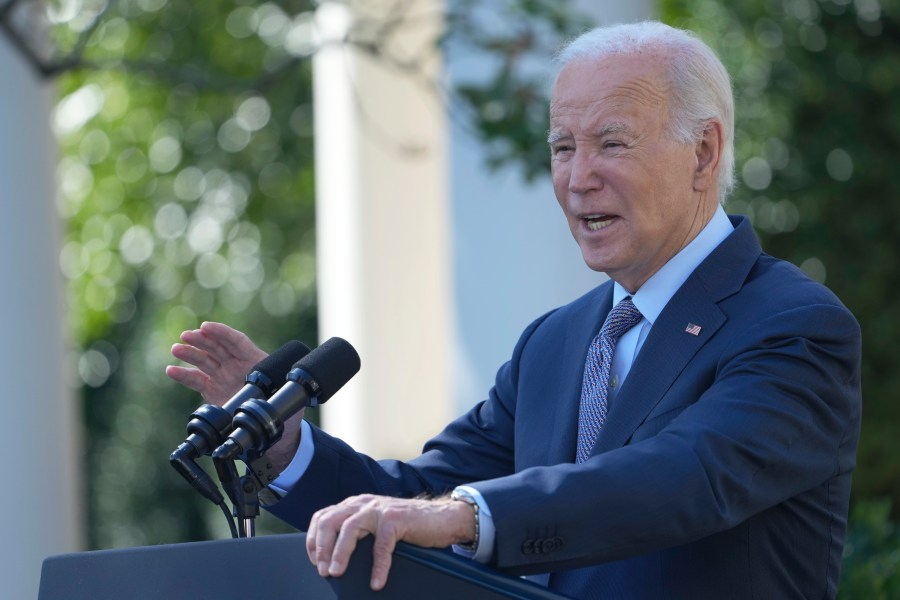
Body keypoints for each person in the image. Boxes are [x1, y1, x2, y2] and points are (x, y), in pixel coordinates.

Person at [167, 21, 861, 599]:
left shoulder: (795, 326)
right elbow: (420, 496)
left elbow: (683, 478)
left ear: (703, 152)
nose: (578, 177)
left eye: (612, 143)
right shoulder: (555, 344)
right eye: (563, 147)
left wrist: (465, 514)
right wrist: (285, 445)